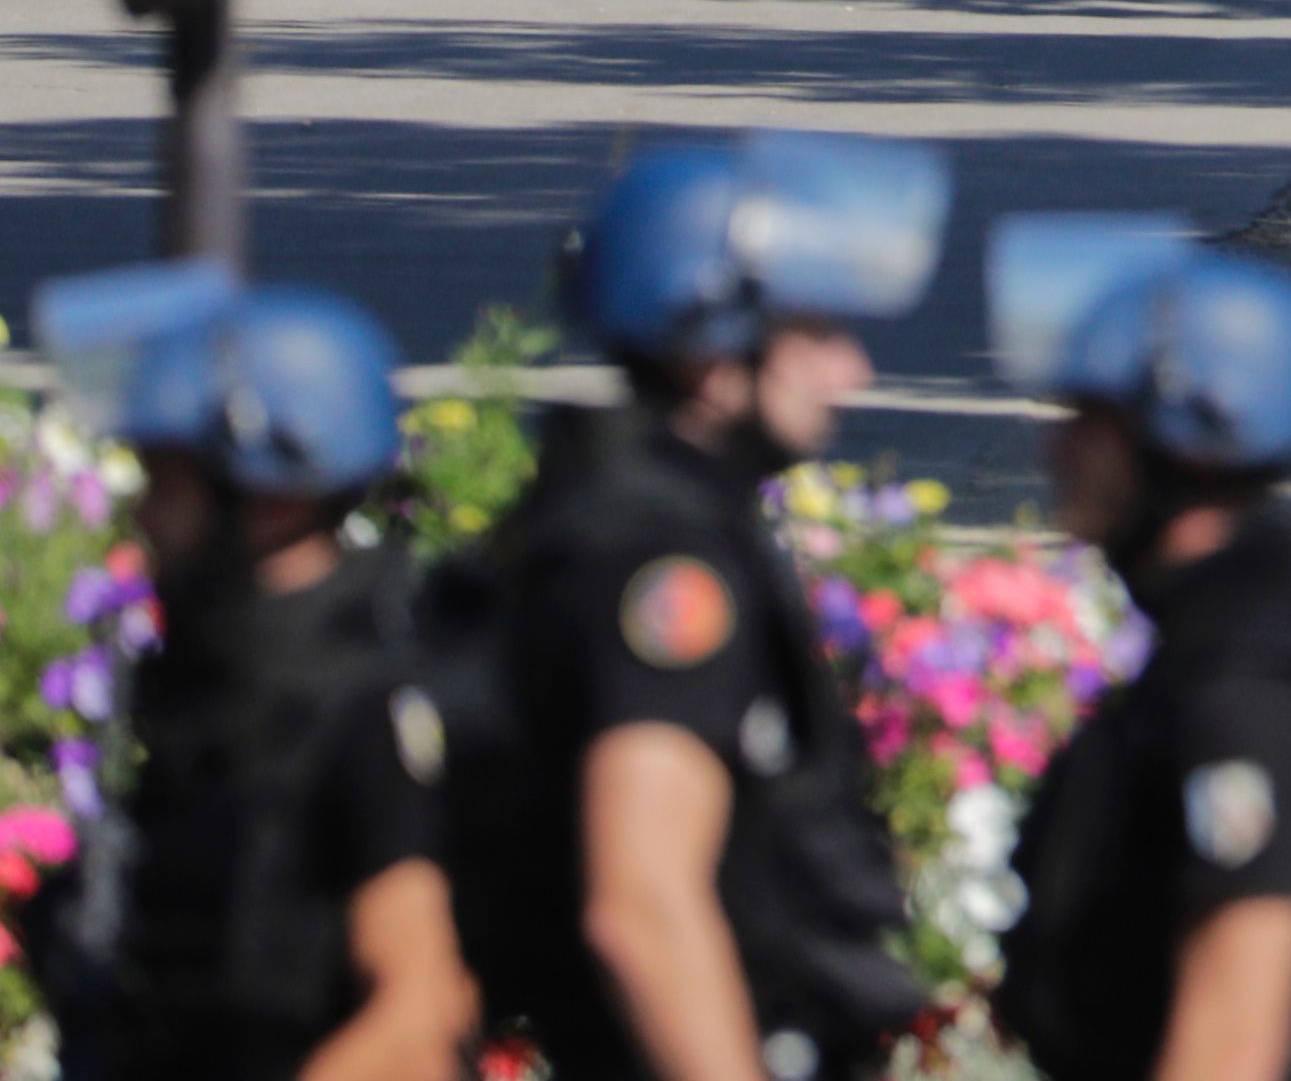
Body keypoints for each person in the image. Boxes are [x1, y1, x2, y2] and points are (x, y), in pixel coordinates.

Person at [502, 134, 946, 1081]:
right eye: (819, 332)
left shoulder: (644, 516)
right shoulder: (661, 565)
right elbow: (645, 905)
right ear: (714, 346)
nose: (852, 372)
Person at [46, 274, 473, 1081]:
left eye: (165, 484)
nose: (142, 514)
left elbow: (419, 1017)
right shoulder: (217, 681)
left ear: (270, 498)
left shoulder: (365, 701)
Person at [988, 251, 1291, 1081]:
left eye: (1088, 423)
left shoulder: (1246, 704)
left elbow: (1232, 1045)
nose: (1056, 448)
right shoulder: (1213, 660)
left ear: (1189, 448)